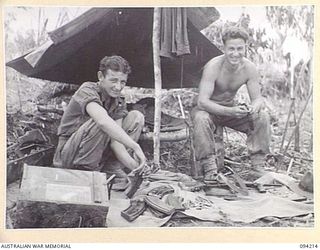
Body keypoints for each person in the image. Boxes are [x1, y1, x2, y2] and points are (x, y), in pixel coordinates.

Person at [192, 26, 271, 182]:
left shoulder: (250, 68)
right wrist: (231, 111)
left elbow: (258, 99)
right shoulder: (213, 66)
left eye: (240, 49)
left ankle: (258, 166)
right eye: (231, 49)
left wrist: (253, 107)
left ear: (246, 47)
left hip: (230, 109)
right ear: (224, 48)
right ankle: (209, 169)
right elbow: (202, 102)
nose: (235, 53)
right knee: (200, 118)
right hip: (209, 110)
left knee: (262, 115)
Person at [53, 55, 146, 176]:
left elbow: (116, 143)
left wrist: (137, 168)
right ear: (100, 76)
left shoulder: (118, 100)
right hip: (69, 154)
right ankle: (85, 173)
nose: (118, 87)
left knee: (136, 117)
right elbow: (102, 121)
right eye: (113, 80)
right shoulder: (87, 90)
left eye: (122, 82)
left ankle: (111, 168)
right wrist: (135, 147)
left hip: (96, 154)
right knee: (103, 123)